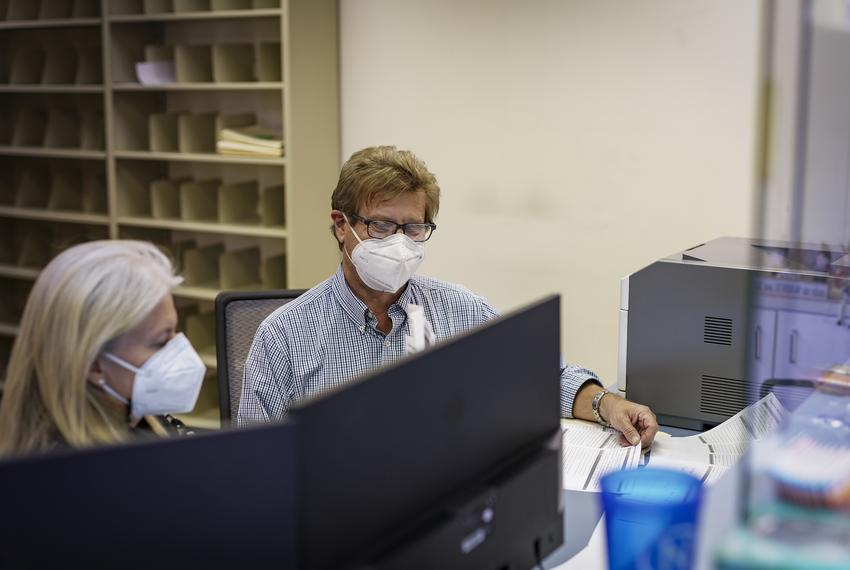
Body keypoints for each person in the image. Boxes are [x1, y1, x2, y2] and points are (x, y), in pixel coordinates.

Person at [238, 146, 659, 448]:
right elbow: (254, 470)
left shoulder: (460, 310)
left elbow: (538, 377)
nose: (400, 242)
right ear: (341, 225)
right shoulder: (284, 337)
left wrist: (608, 404)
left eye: (414, 228)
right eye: (381, 226)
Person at [0, 240, 206, 456]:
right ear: (94, 367)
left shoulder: (132, 417)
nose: (180, 350)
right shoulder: (92, 473)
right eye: (161, 342)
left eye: (174, 332)